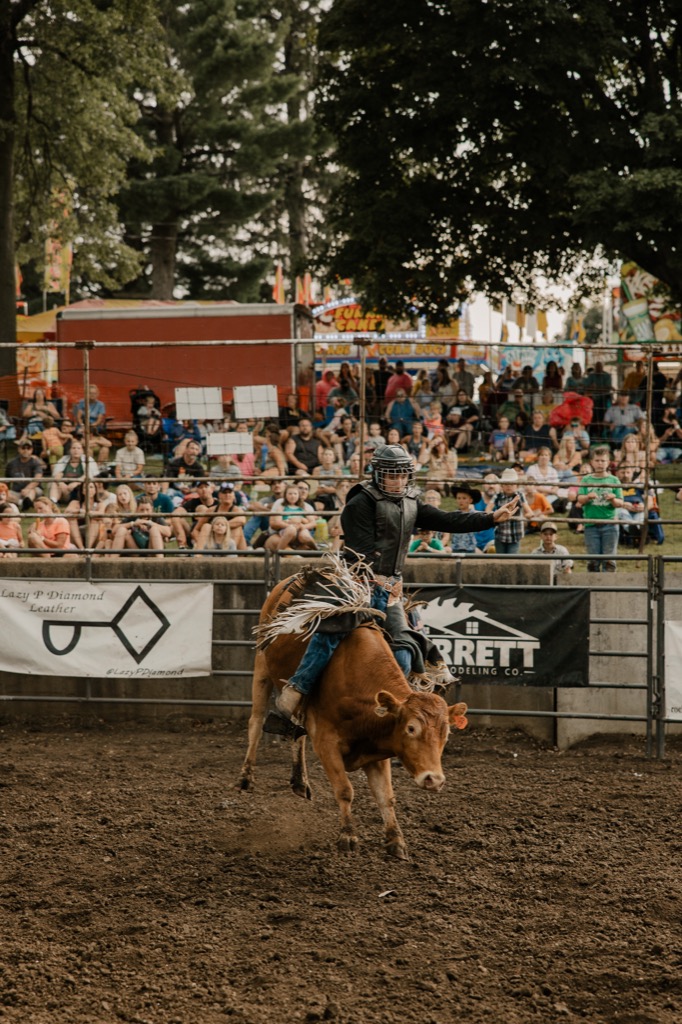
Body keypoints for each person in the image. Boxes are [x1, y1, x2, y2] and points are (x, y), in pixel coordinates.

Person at [275, 445, 519, 722]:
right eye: (393, 475)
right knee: (332, 631)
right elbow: (360, 550)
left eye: (403, 475)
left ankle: (388, 716)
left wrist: (490, 518)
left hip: (389, 589)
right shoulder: (359, 503)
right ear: (378, 474)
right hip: (356, 583)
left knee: (404, 651)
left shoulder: (410, 501)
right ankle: (296, 690)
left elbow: (447, 519)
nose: (399, 481)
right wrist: (384, 581)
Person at [576, 445, 624, 572]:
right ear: (591, 462)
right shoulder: (586, 479)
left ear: (608, 462)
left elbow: (620, 502)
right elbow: (579, 499)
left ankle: (608, 583)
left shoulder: (614, 480)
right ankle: (593, 582)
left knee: (609, 560)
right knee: (593, 560)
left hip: (610, 524)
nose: (600, 463)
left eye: (603, 460)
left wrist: (613, 499)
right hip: (591, 524)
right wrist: (587, 497)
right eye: (597, 460)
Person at [487, 468, 532, 554]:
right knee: (500, 557)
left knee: (512, 558)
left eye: (512, 484)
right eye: (506, 484)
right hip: (500, 533)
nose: (509, 486)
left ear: (516, 485)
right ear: (502, 485)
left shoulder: (519, 496)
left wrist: (525, 516)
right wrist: (495, 516)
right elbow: (488, 509)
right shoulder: (497, 496)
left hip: (515, 534)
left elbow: (529, 512)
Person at [265, 482, 318, 551]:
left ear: (299, 495)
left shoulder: (304, 507)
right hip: (286, 529)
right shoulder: (282, 506)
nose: (292, 496)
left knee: (304, 535)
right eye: (290, 494)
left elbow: (313, 523)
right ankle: (279, 551)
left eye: (295, 494)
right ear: (285, 495)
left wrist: (303, 525)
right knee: (291, 529)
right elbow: (277, 521)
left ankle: (316, 549)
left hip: (300, 529)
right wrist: (290, 524)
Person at [72, 384, 112, 464]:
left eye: (94, 393)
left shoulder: (101, 404)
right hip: (83, 423)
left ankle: (98, 465)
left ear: (97, 394)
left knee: (94, 432)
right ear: (87, 394)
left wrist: (92, 425)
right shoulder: (82, 402)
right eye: (90, 393)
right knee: (80, 431)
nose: (92, 395)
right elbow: (79, 417)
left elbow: (99, 419)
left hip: (95, 425)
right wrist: (82, 425)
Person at [5, 440, 45, 509]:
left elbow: (37, 478)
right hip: (16, 492)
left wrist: (27, 488)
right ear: (19, 449)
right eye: (23, 448)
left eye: (28, 448)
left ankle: (27, 501)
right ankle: (21, 503)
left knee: (33, 491)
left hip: (33, 490)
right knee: (3, 493)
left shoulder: (36, 462)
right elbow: (6, 481)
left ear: (31, 450)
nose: (26, 450)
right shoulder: (11, 464)